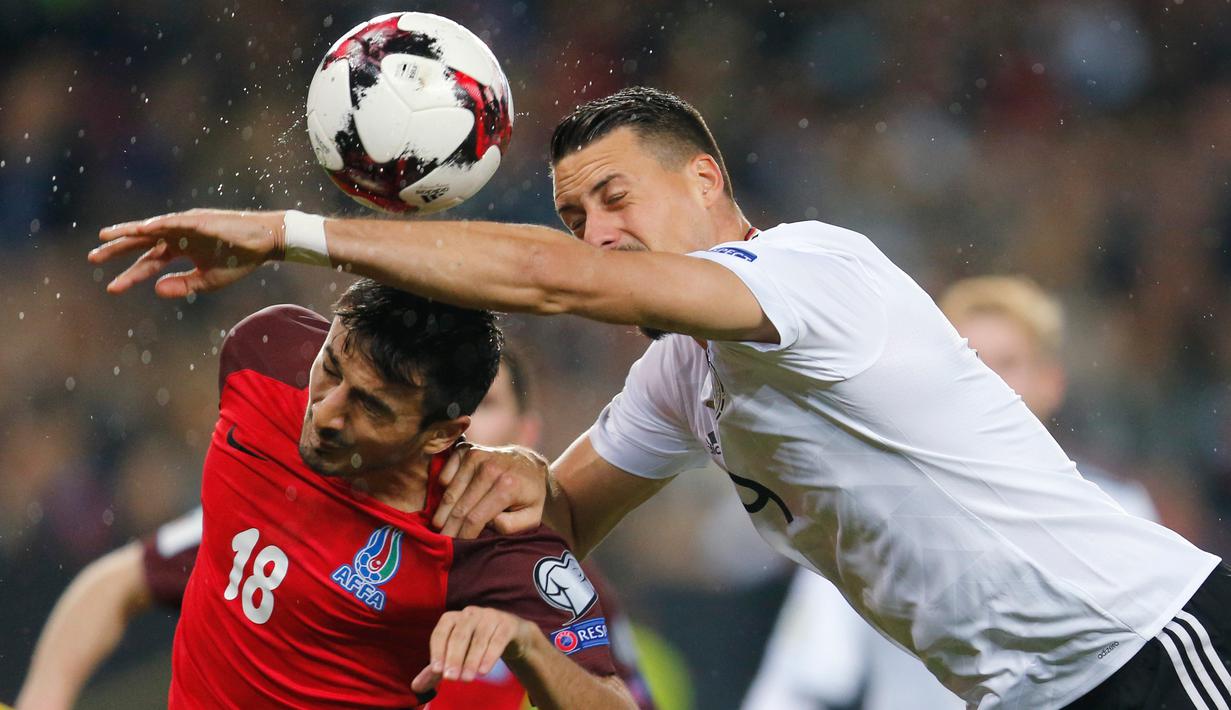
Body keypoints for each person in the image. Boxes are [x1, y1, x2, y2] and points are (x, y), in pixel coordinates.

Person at [92, 86, 1228, 708]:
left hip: (1141, 644)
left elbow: (559, 282)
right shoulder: (685, 372)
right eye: (578, 212)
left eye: (614, 198)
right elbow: (557, 515)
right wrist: (472, 479)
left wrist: (290, 233)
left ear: (706, 181)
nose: (597, 232)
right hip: (1029, 692)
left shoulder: (810, 272)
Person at [57, 277, 634, 708]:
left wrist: (526, 645)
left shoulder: (487, 539)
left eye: (371, 406)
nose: (327, 414)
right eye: (330, 368)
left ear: (441, 435)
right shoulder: (263, 352)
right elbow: (122, 579)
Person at [743, 275, 1161, 710]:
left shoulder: (1120, 513)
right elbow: (798, 686)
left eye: (1008, 362)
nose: (989, 382)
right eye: (971, 361)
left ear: (1051, 382)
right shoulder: (866, 510)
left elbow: (1151, 675)